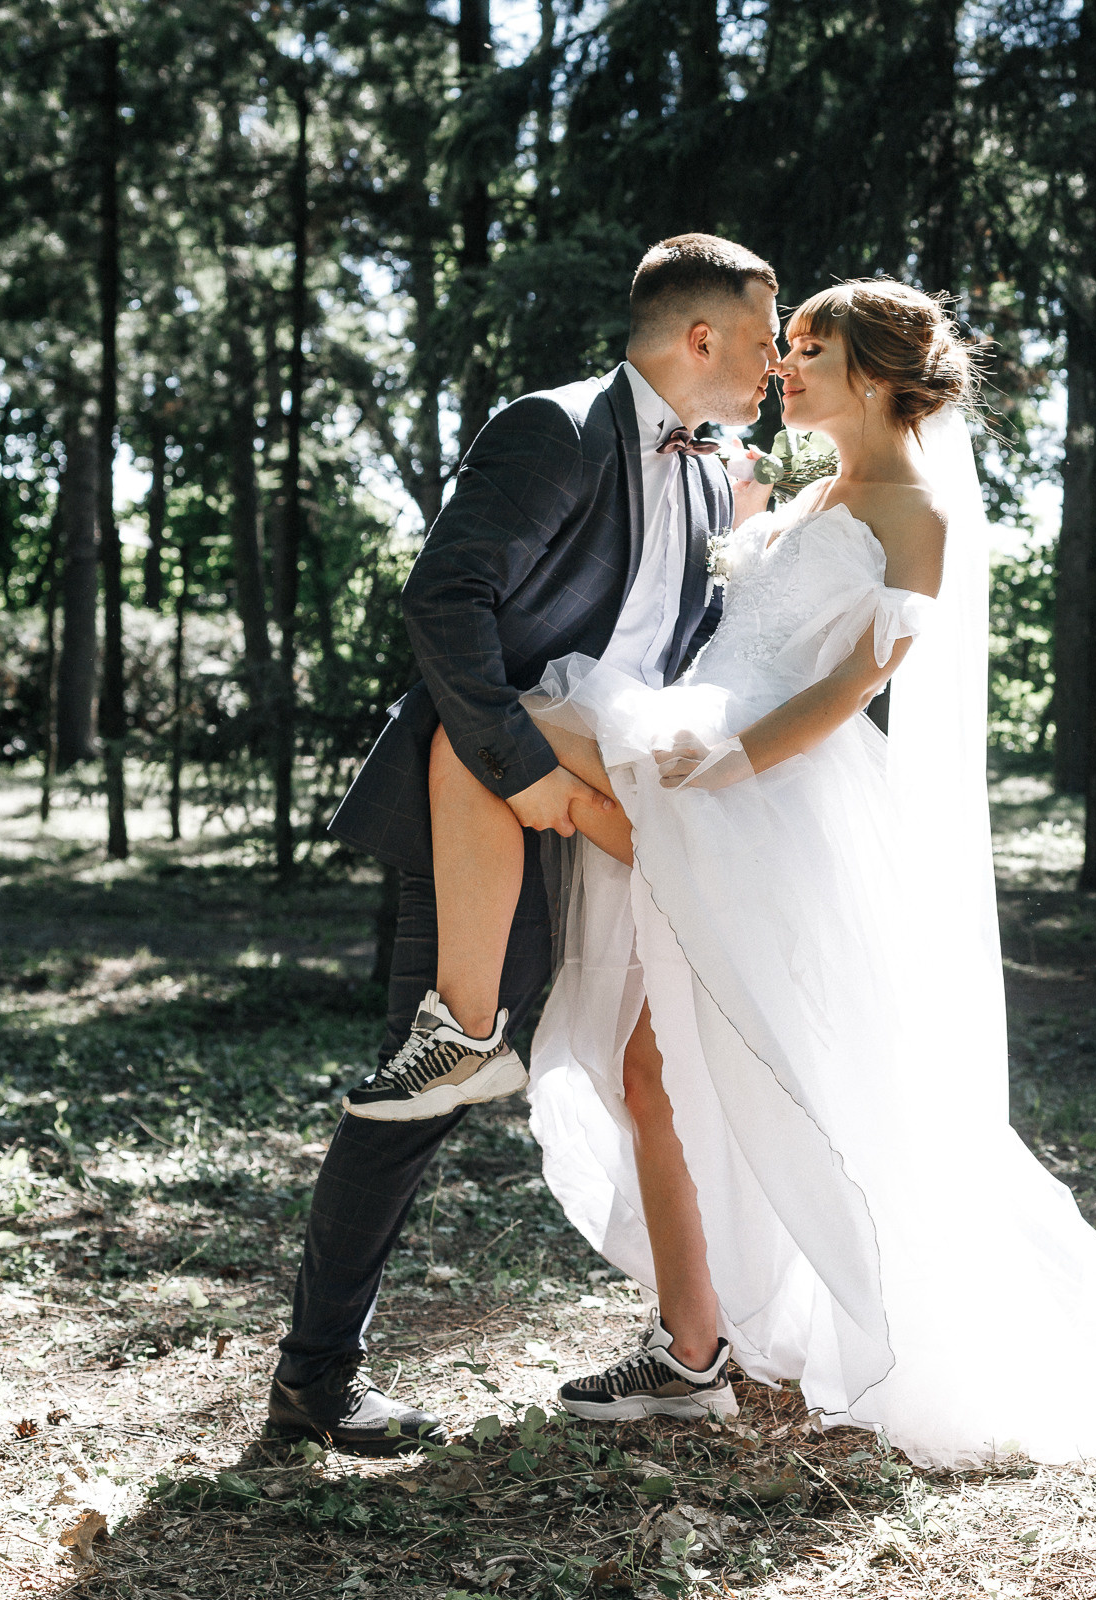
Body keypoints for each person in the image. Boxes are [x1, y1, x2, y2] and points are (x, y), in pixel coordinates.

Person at [461, 279, 1096, 1466]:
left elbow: (848, 690)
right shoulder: (803, 483)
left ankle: (712, 1329)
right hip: (704, 752)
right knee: (655, 1049)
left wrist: (732, 759)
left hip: (770, 794)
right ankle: (692, 1338)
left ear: (876, 374)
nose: (785, 366)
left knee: (742, 1054)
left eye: (811, 349)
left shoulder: (914, 509)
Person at [267, 234, 780, 1455]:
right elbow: (445, 603)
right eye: (763, 341)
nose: (773, 365)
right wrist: (532, 778)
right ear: (698, 338)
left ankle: (704, 1339)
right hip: (498, 804)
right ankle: (316, 1378)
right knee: (427, 1080)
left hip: (635, 813)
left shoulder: (720, 474)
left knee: (684, 1076)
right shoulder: (551, 428)